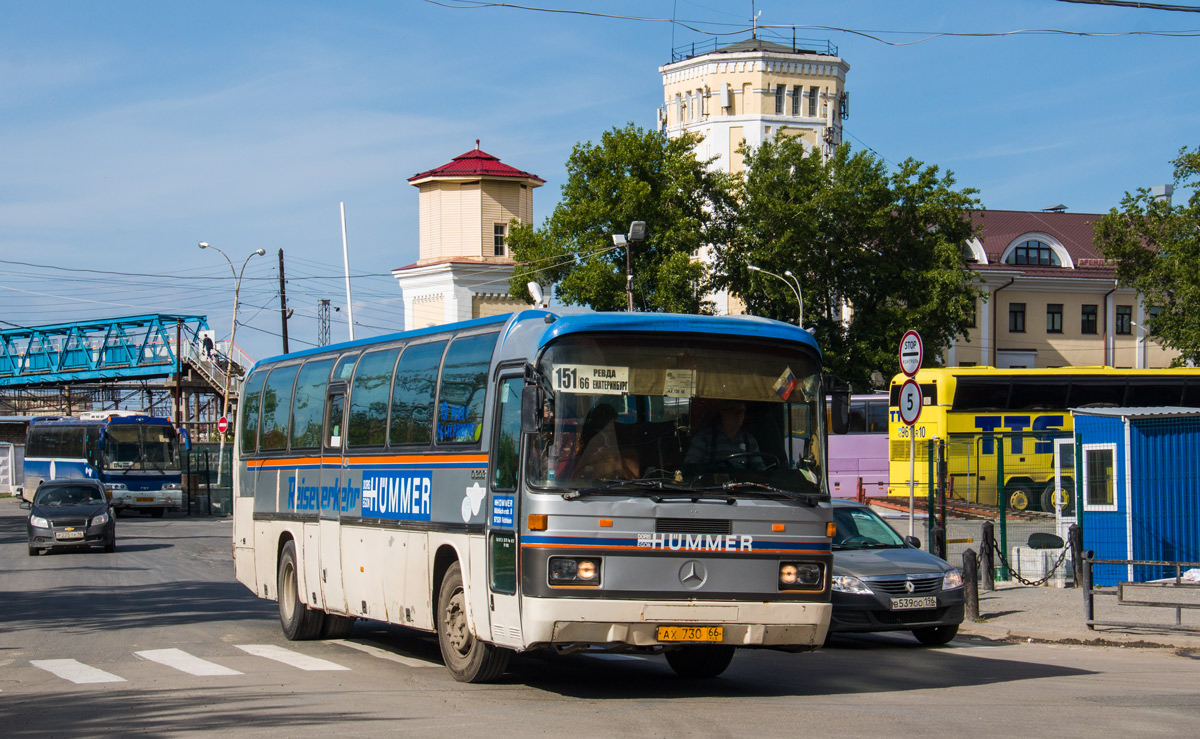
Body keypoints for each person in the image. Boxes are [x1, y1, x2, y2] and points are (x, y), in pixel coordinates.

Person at [684, 399, 766, 472]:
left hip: (743, 487)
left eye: (742, 411)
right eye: (734, 411)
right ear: (723, 413)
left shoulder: (749, 441)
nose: (739, 415)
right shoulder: (704, 438)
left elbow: (760, 469)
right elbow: (691, 466)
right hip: (711, 487)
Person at [573, 404, 638, 479]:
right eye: (611, 422)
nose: (614, 425)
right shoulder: (598, 440)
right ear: (604, 422)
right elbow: (582, 463)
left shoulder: (612, 437)